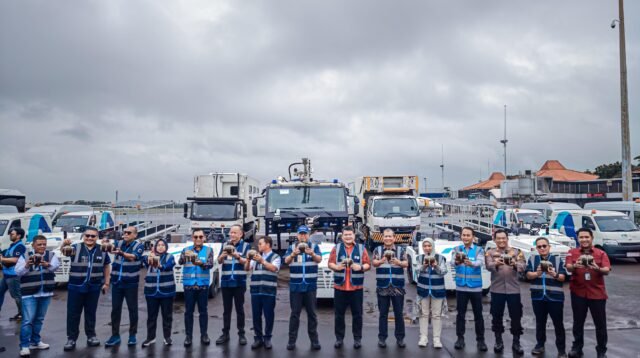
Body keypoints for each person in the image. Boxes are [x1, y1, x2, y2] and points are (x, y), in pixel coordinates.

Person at [565, 228, 611, 358]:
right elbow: (568, 267)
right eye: (581, 237)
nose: (584, 240)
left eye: (586, 237)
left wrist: (597, 268)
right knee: (578, 322)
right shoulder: (572, 252)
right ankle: (577, 348)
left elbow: (607, 270)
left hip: (597, 294)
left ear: (592, 238)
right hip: (578, 292)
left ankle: (601, 350)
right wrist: (575, 265)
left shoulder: (600, 253)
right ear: (578, 239)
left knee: (600, 324)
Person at [63, 227, 112, 351]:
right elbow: (63, 251)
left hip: (94, 287)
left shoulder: (103, 249)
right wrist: (64, 243)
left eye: (93, 236)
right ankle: (71, 338)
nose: (90, 238)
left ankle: (91, 336)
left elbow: (106, 266)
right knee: (73, 314)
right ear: (83, 236)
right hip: (75, 287)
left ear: (97, 237)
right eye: (87, 235)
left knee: (91, 313)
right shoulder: (74, 247)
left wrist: (106, 283)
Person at [15, 235, 60, 357]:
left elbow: (56, 267)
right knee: (28, 320)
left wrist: (47, 264)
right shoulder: (24, 256)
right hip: (29, 293)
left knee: (39, 319)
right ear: (33, 245)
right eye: (39, 244)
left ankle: (35, 341)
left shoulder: (51, 255)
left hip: (45, 292)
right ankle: (24, 345)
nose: (42, 246)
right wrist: (27, 265)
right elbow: (17, 272)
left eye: (44, 244)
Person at [328, 226, 370, 349]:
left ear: (354, 236)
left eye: (350, 234)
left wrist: (360, 267)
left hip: (356, 288)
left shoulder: (361, 248)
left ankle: (357, 339)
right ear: (342, 236)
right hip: (340, 288)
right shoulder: (336, 248)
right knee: (339, 315)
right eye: (345, 235)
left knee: (357, 315)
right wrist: (336, 267)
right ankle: (339, 339)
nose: (348, 237)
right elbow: (330, 263)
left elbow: (368, 264)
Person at [485, 229, 526, 355]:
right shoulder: (490, 253)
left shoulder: (517, 252)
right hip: (497, 290)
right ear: (495, 240)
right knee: (497, 316)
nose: (501, 240)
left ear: (507, 238)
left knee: (516, 316)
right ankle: (498, 341)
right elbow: (488, 266)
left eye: (504, 238)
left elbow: (523, 267)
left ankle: (516, 342)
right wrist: (496, 263)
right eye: (499, 238)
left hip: (513, 290)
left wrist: (514, 264)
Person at [525, 237, 567, 358]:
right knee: (540, 322)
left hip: (555, 298)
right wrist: (537, 273)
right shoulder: (533, 259)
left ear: (549, 247)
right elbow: (528, 275)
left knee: (558, 324)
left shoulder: (557, 260)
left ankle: (561, 350)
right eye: (539, 246)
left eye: (544, 246)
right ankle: (540, 345)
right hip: (538, 297)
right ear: (536, 248)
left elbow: (563, 277)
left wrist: (554, 274)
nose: (542, 248)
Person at [283, 225, 322, 350]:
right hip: (296, 287)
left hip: (310, 287)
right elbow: (286, 261)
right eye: (301, 234)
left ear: (309, 235)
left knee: (312, 315)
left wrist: (313, 254)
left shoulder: (314, 247)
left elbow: (319, 259)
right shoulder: (291, 247)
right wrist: (293, 254)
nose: (303, 236)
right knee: (295, 314)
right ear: (297, 235)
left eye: (305, 234)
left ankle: (314, 341)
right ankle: (291, 341)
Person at [105, 226, 145, 347]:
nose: (125, 234)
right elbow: (110, 245)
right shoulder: (119, 243)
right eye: (124, 232)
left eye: (129, 233)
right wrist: (106, 241)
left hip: (131, 283)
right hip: (117, 282)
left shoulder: (139, 246)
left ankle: (132, 335)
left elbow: (133, 257)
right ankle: (115, 335)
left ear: (135, 235)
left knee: (133, 309)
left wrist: (121, 253)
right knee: (115, 310)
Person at [452, 227, 487, 351]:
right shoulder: (456, 249)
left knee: (478, 315)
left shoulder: (479, 250)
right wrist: (456, 262)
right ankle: (460, 339)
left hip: (475, 288)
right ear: (461, 236)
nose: (465, 237)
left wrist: (471, 263)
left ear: (473, 237)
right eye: (463, 235)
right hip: (461, 287)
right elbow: (451, 263)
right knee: (460, 315)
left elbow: (480, 262)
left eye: (468, 235)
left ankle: (481, 340)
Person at [371, 228, 408, 348]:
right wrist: (381, 260)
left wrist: (398, 262)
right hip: (383, 286)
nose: (387, 238)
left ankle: (400, 338)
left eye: (390, 236)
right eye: (385, 236)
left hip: (397, 286)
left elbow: (406, 264)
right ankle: (382, 338)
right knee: (383, 314)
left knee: (398, 314)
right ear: (382, 238)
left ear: (394, 238)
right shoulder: (378, 249)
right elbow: (374, 263)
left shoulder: (401, 250)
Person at [215, 224, 250, 346]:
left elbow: (247, 262)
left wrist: (236, 255)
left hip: (239, 282)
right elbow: (218, 261)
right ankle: (225, 333)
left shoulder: (246, 246)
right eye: (231, 232)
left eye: (235, 233)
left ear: (241, 234)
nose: (232, 235)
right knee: (226, 310)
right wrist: (223, 255)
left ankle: (241, 333)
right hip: (226, 283)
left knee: (240, 309)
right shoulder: (225, 245)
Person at [179, 229, 214, 347]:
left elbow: (209, 265)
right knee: (188, 312)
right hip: (189, 285)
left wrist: (200, 263)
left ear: (204, 238)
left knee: (203, 311)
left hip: (202, 285)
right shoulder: (186, 250)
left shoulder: (209, 250)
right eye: (195, 237)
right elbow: (180, 262)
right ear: (192, 238)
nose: (198, 239)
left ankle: (204, 334)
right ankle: (188, 336)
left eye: (200, 237)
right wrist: (185, 257)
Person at [246, 236, 280, 350]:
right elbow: (247, 268)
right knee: (256, 315)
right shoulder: (255, 257)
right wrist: (248, 260)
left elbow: (274, 268)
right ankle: (258, 338)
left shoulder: (276, 256)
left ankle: (268, 338)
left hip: (269, 291)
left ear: (268, 245)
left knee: (269, 315)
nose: (258, 246)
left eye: (260, 244)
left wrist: (262, 261)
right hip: (256, 291)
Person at [141, 238, 176, 347]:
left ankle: (167, 337)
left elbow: (168, 266)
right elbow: (143, 262)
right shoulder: (149, 257)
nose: (160, 247)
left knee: (167, 316)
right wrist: (149, 257)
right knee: (151, 316)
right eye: (158, 245)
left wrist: (159, 265)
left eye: (163, 245)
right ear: (155, 247)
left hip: (166, 292)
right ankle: (150, 337)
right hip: (151, 292)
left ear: (166, 247)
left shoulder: (170, 257)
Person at [416, 238, 447, 348]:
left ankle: (436, 339)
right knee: (423, 314)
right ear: (423, 247)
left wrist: (436, 265)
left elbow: (444, 271)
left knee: (436, 315)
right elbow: (417, 270)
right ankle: (423, 337)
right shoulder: (419, 258)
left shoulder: (440, 257)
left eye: (429, 246)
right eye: (425, 246)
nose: (427, 248)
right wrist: (424, 265)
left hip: (437, 289)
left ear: (433, 246)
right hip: (423, 289)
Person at [0, 227, 26, 322]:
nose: (10, 234)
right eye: (10, 233)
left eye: (12, 233)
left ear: (18, 236)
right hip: (6, 275)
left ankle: (23, 314)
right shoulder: (11, 246)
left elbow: (16, 259)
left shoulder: (20, 246)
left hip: (14, 275)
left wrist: (2, 259)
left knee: (17, 296)